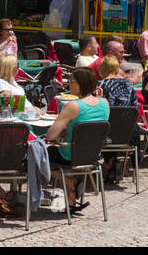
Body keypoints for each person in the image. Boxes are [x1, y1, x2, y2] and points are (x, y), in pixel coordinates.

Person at [43, 65, 110, 214]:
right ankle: (71, 201)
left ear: (80, 84)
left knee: (35, 155)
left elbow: (50, 136)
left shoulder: (72, 106)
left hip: (70, 155)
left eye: (71, 80)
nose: (68, 83)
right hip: (92, 155)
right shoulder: (105, 103)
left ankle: (68, 181)